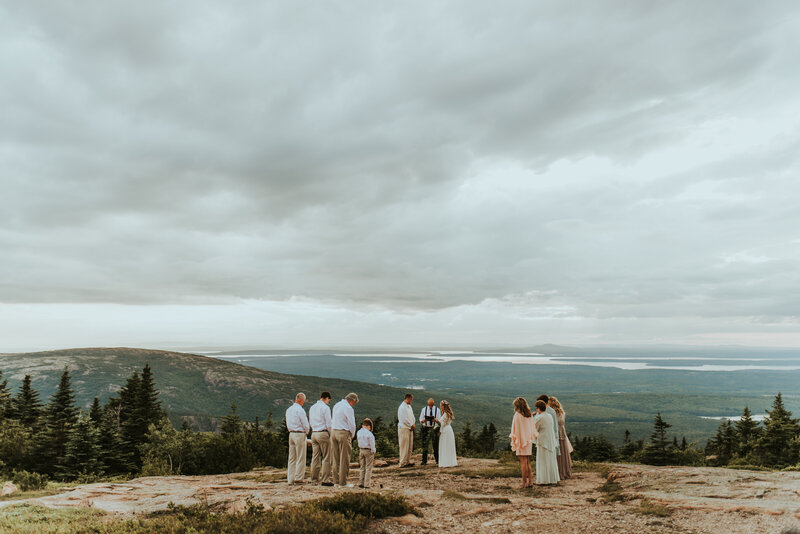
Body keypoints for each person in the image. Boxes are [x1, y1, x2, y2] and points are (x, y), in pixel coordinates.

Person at [331, 392, 358, 486]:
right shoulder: (348, 408)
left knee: (335, 458)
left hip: (333, 432)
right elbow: (352, 423)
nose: (354, 405)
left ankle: (336, 481)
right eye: (354, 403)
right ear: (352, 400)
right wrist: (352, 435)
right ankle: (343, 482)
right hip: (343, 433)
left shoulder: (336, 405)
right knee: (344, 459)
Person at [509, 397, 537, 488]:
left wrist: (515, 440)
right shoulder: (529, 415)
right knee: (528, 462)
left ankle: (523, 482)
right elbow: (532, 427)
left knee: (523, 462)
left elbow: (515, 429)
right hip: (528, 441)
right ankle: (530, 482)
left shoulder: (517, 415)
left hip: (521, 441)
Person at [309, 391, 334, 486]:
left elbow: (310, 421)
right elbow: (329, 423)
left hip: (314, 433)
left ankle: (314, 479)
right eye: (328, 400)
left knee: (315, 457)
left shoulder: (312, 407)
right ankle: (325, 479)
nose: (328, 402)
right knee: (326, 457)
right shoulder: (325, 408)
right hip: (323, 433)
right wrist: (330, 434)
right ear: (327, 398)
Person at [284, 392, 310, 484]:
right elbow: (305, 423)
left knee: (292, 458)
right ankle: (298, 478)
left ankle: (290, 479)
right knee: (300, 457)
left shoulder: (289, 409)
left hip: (291, 433)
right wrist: (307, 432)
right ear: (302, 400)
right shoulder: (300, 410)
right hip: (299, 433)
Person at [533, 399, 560, 485]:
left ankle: (543, 480)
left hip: (543, 441)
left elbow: (534, 429)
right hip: (550, 441)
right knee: (550, 460)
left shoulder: (539, 417)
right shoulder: (549, 416)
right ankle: (552, 479)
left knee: (542, 461)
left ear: (538, 408)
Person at [549, 396, 573, 480]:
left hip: (556, 435)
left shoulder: (551, 414)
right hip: (562, 434)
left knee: (557, 455)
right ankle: (564, 471)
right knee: (563, 454)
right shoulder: (562, 413)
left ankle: (558, 472)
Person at [419, 398, 441, 465]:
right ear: (428, 404)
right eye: (429, 405)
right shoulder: (424, 409)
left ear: (433, 404)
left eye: (432, 405)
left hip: (434, 428)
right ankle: (424, 460)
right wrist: (424, 420)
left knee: (435, 445)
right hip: (426, 428)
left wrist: (435, 420)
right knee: (425, 444)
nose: (430, 406)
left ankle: (438, 460)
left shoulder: (437, 410)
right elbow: (420, 419)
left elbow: (439, 420)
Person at [397, 393, 416, 467]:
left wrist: (413, 423)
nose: (411, 401)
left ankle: (407, 461)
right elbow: (404, 419)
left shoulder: (409, 407)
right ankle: (402, 463)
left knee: (409, 446)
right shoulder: (402, 407)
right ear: (407, 398)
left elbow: (412, 416)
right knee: (404, 446)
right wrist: (411, 424)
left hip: (410, 428)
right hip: (404, 428)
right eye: (411, 399)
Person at [437, 400, 458, 468]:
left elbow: (442, 424)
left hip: (445, 430)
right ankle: (450, 461)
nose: (440, 407)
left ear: (443, 406)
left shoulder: (445, 414)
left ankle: (445, 462)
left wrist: (439, 431)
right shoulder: (448, 413)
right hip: (449, 429)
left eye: (441, 406)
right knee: (449, 445)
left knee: (445, 445)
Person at [357, 418, 376, 488]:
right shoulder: (369, 434)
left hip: (361, 450)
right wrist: (373, 451)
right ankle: (367, 484)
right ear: (369, 426)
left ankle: (361, 482)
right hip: (368, 450)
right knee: (368, 468)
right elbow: (372, 444)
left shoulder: (358, 432)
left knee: (362, 467)